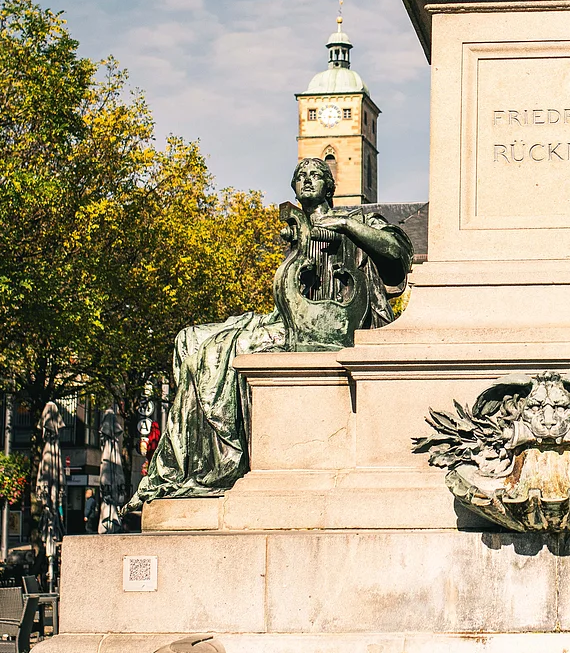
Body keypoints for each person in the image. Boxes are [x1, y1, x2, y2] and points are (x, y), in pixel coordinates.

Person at [134, 159, 412, 503]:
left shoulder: (358, 220)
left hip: (333, 326)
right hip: (292, 321)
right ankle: (193, 464)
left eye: (316, 175)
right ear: (294, 187)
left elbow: (398, 254)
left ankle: (224, 463)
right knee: (191, 339)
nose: (307, 181)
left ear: (330, 186)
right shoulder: (296, 227)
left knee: (221, 349)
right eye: (301, 176)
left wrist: (344, 226)